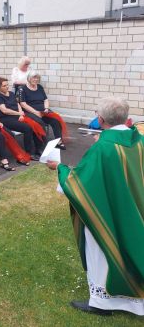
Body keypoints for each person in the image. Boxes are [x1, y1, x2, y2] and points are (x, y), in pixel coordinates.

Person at [47, 97, 144, 316]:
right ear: (127, 119)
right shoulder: (140, 141)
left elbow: (81, 184)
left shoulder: (103, 148)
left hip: (108, 211)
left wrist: (60, 168)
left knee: (101, 250)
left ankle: (102, 303)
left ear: (100, 120)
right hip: (135, 208)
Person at [0, 77, 42, 161]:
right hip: (6, 119)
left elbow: (18, 104)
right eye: (4, 86)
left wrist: (20, 114)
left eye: (7, 85)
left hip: (17, 116)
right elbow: (5, 111)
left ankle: (38, 149)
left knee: (35, 124)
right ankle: (29, 152)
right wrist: (19, 113)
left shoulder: (11, 93)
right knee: (27, 128)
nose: (7, 87)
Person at [19, 70, 66, 149]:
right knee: (40, 123)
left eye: (37, 78)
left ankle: (59, 141)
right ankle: (42, 144)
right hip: (30, 112)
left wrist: (46, 108)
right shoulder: (22, 89)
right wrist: (35, 112)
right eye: (34, 78)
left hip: (43, 111)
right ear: (29, 78)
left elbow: (45, 100)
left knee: (56, 120)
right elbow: (23, 104)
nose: (36, 80)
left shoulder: (39, 87)